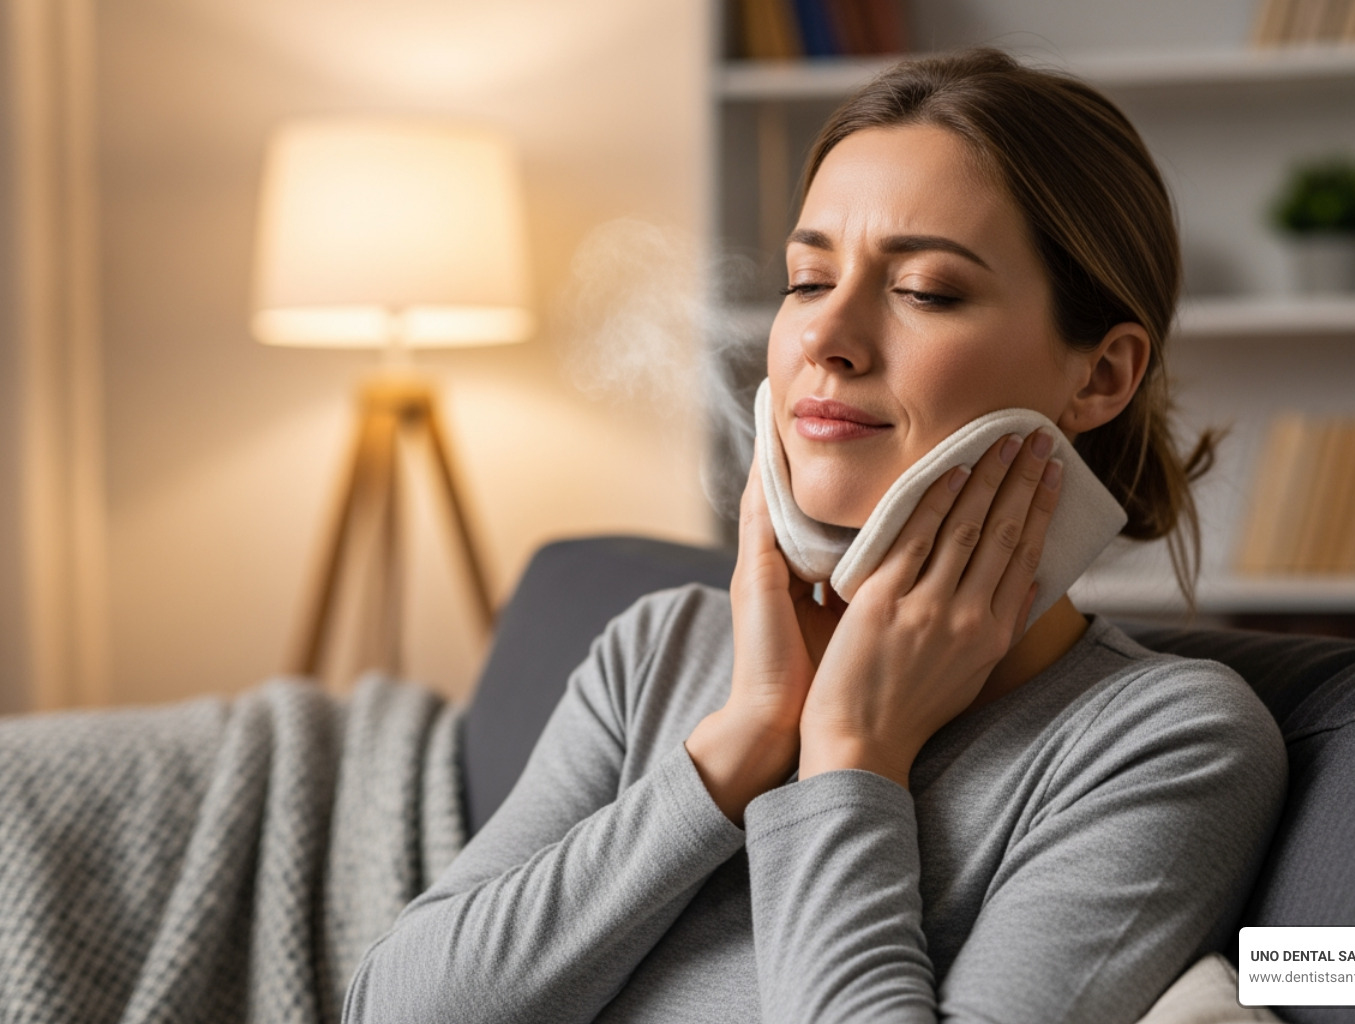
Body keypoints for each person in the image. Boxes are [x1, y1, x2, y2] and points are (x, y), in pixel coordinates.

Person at [343, 48, 1286, 1024]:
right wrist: (737, 747)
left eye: (924, 290)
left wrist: (852, 754)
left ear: (1101, 376)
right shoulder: (656, 655)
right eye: (806, 279)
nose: (826, 337)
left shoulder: (1162, 741)